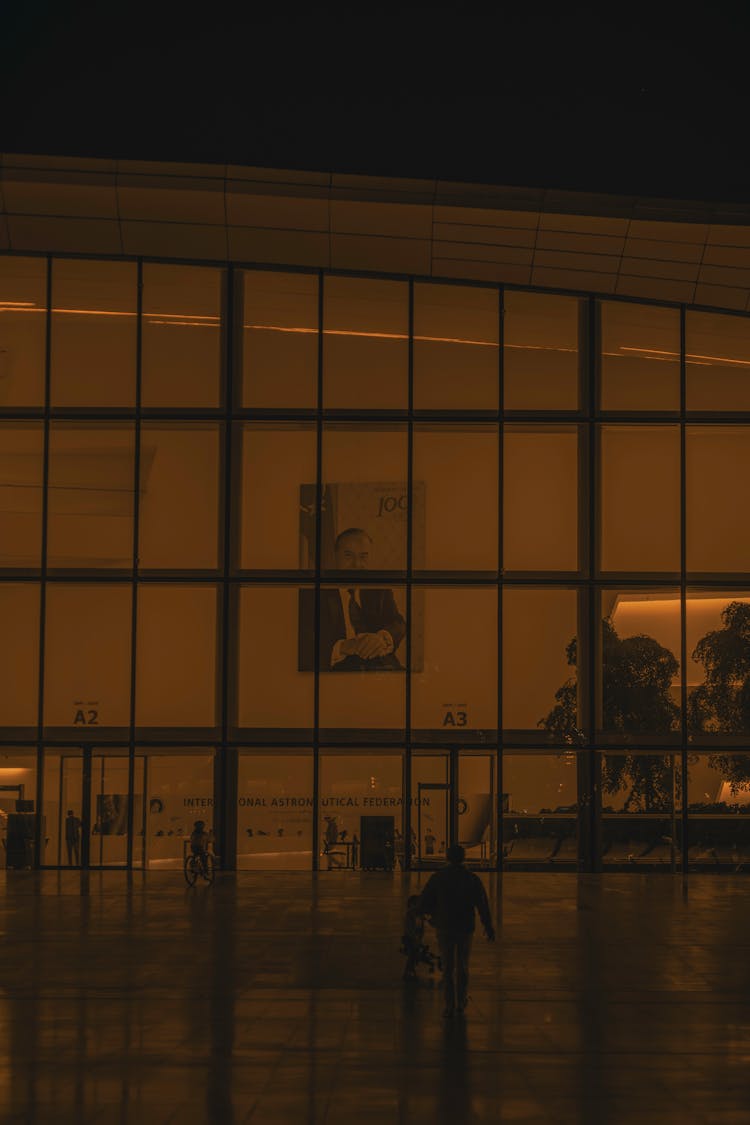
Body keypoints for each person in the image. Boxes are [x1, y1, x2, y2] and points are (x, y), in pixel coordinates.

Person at [298, 528, 406, 672]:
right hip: (334, 673)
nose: (357, 564)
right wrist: (344, 647)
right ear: (334, 556)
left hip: (381, 669)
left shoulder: (379, 589)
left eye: (363, 557)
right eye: (348, 556)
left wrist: (381, 638)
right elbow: (303, 642)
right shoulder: (312, 592)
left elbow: (398, 623)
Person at [417, 843, 495, 1017]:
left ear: (447, 857)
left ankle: (449, 1003)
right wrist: (488, 925)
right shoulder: (471, 878)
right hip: (465, 926)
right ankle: (461, 1001)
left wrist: (422, 913)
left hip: (445, 925)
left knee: (448, 966)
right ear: (463, 858)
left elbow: (425, 900)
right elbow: (482, 904)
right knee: (462, 965)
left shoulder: (438, 877)